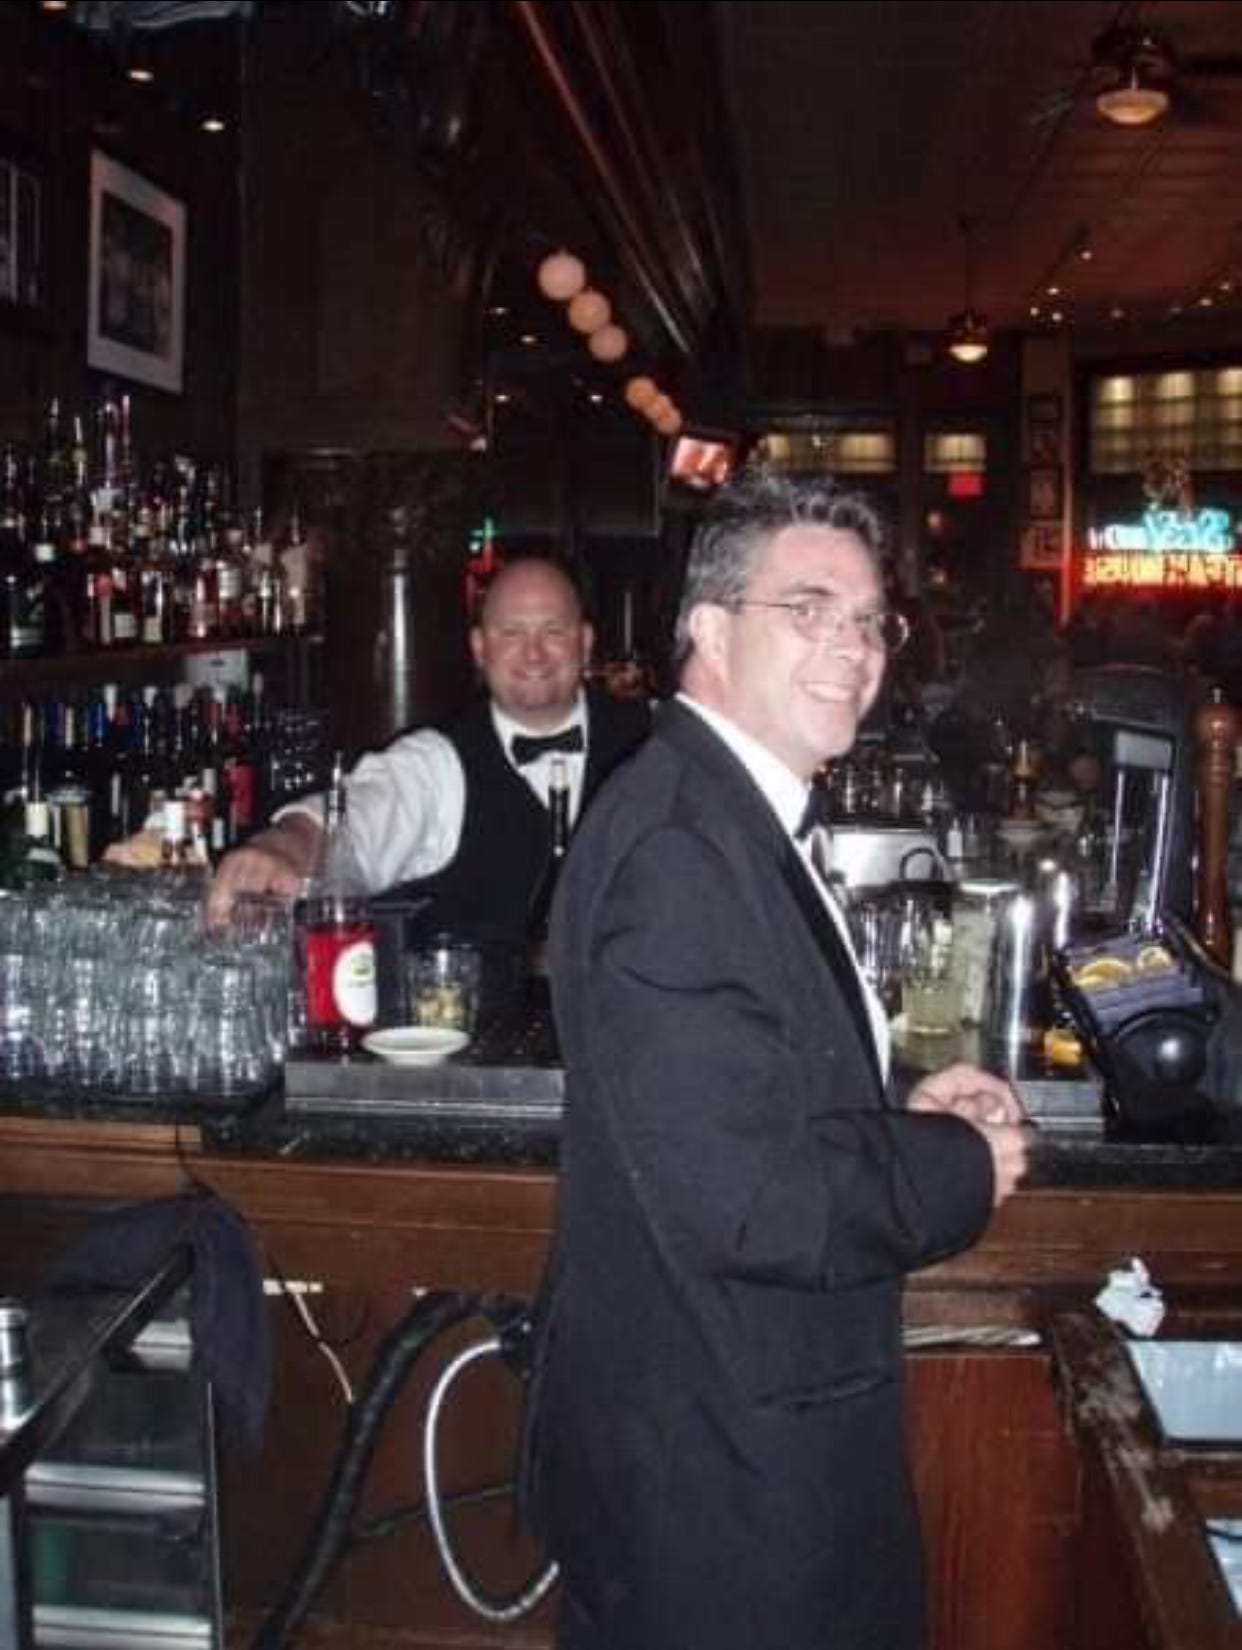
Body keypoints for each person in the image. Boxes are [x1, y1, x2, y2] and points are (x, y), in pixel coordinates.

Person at [522, 471, 1030, 1650]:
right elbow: (751, 1197)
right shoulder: (677, 850)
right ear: (708, 630)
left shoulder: (725, 811)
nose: (853, 648)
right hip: (720, 1485)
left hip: (726, 1448)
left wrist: (900, 1108)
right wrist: (959, 1166)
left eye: (869, 621)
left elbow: (746, 1077)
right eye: (808, 609)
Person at [207, 557, 649, 950]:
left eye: (553, 631)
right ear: (480, 648)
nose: (534, 654)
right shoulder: (437, 762)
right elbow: (357, 819)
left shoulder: (652, 742)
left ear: (585, 642)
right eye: (512, 633)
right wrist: (286, 846)